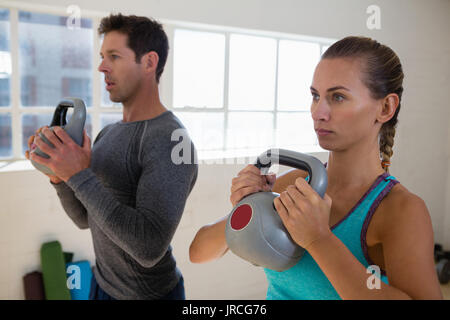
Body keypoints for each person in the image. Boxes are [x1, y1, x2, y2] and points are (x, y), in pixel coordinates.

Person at [189, 36, 443, 300]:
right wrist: (246, 208)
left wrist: (319, 240)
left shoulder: (400, 211)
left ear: (386, 107)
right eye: (315, 95)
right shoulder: (297, 183)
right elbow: (198, 253)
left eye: (338, 97)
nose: (317, 112)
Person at [26, 13, 198, 300]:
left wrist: (78, 175)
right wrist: (60, 177)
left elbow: (148, 248)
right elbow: (85, 219)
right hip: (103, 285)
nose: (101, 67)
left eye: (114, 57)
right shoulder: (108, 134)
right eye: (102, 56)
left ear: (149, 62)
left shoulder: (172, 140)